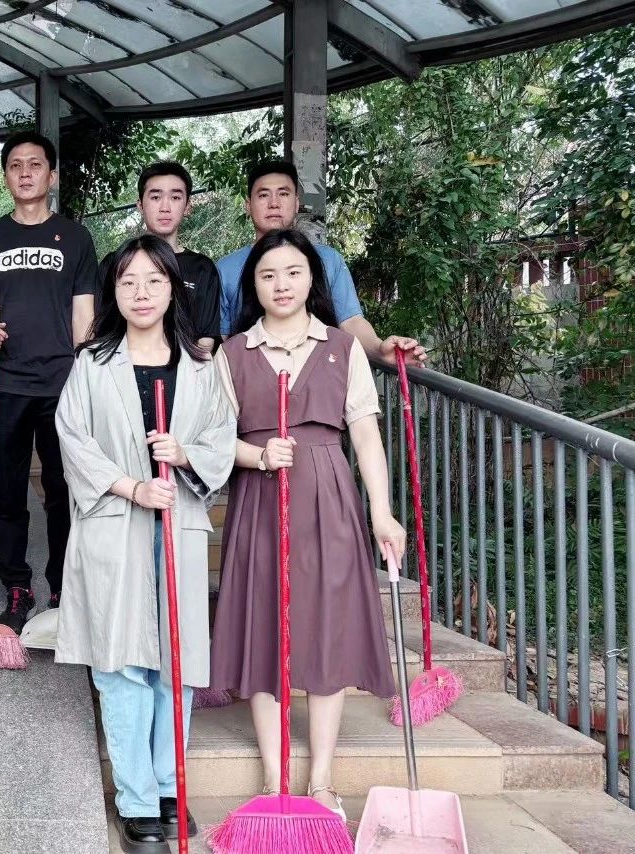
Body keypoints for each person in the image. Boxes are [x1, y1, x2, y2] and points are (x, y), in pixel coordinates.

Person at [210, 229, 404, 821]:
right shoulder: (232, 353)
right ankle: (274, 781)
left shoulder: (342, 348)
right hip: (259, 499)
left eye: (293, 272)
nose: (281, 285)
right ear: (253, 286)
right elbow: (213, 441)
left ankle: (321, 781)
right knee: (263, 627)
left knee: (326, 630)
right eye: (268, 275)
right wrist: (257, 456)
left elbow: (364, 434)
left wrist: (381, 512)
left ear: (311, 280)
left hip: (328, 497)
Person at [55, 235, 233, 853]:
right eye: (127, 281)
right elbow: (72, 437)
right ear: (114, 291)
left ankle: (168, 786)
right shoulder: (92, 364)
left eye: (154, 280)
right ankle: (135, 799)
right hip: (115, 524)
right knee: (123, 661)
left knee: (176, 665)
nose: (140, 293)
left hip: (178, 523)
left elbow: (221, 436)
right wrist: (131, 486)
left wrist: (183, 455)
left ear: (173, 289)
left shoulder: (203, 367)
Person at [0, 129, 98, 633]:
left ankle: (63, 583)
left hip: (61, 382)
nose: (25, 173)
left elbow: (84, 312)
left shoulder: (75, 238)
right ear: (5, 176)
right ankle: (17, 585)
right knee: (7, 489)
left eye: (35, 164)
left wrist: (84, 368)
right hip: (6, 381)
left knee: (64, 487)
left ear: (51, 175)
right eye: (15, 165)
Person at [216, 160, 426, 364]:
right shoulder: (225, 269)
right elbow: (221, 340)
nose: (274, 203)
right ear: (248, 205)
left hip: (320, 375)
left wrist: (380, 350)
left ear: (296, 203)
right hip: (251, 378)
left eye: (283, 194)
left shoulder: (328, 260)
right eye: (263, 195)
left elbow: (350, 321)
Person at [98, 162, 221, 352]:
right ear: (140, 205)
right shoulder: (115, 263)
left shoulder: (202, 268)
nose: (165, 207)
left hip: (186, 368)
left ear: (187, 206)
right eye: (155, 197)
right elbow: (99, 328)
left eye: (175, 197)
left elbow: (206, 340)